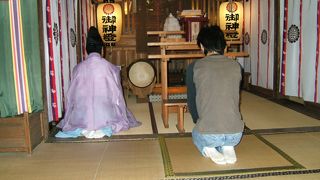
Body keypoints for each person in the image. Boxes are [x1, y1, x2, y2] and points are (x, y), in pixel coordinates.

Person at [56, 26, 141, 139]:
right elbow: (118, 97)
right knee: (113, 112)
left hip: (82, 116)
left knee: (79, 112)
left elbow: (70, 97)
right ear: (102, 49)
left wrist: (69, 115)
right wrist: (122, 114)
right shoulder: (111, 68)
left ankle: (86, 127)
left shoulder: (77, 68)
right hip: (105, 114)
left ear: (87, 50)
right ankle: (101, 127)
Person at [186, 25, 244, 165]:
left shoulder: (194, 67)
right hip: (236, 133)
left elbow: (192, 101)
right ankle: (228, 146)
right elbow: (234, 97)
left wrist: (198, 121)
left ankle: (209, 149)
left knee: (196, 133)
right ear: (224, 47)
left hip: (209, 133)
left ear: (201, 46)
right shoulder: (237, 67)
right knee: (223, 127)